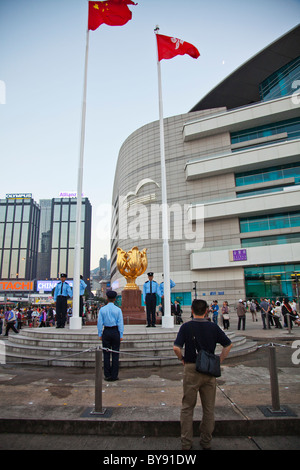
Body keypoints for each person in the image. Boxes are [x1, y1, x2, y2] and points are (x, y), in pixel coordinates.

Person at [173, 299, 232, 450]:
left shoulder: (186, 327)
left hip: (191, 368)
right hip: (209, 370)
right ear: (206, 311)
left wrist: (182, 360)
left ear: (192, 310)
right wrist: (219, 360)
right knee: (208, 408)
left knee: (187, 407)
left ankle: (186, 443)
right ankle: (206, 441)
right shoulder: (213, 327)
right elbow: (228, 344)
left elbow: (176, 348)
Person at [97, 290, 124, 382]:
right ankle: (114, 375)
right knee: (115, 354)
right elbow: (120, 323)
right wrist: (121, 334)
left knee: (106, 354)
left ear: (107, 298)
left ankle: (107, 375)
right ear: (115, 299)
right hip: (115, 331)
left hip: (106, 331)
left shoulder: (102, 309)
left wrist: (100, 334)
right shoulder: (118, 310)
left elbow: (99, 323)